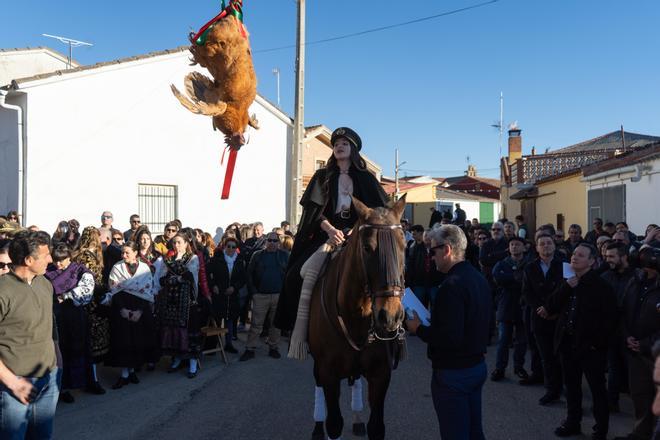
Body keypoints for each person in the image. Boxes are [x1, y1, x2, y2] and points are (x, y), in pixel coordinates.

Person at [274, 126, 389, 333]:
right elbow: (313, 214)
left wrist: (355, 230)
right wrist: (330, 230)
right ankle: (303, 328)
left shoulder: (366, 178)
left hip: (359, 235)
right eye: (336, 144)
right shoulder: (321, 176)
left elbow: (376, 210)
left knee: (386, 271)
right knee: (294, 276)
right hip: (326, 235)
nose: (339, 147)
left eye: (344, 144)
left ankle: (389, 325)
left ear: (353, 149)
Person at [406, 225, 491, 440]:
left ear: (447, 250)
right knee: (474, 431)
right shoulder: (477, 277)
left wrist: (419, 329)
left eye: (433, 251)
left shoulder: (451, 286)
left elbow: (449, 337)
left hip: (454, 373)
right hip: (476, 366)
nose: (431, 256)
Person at [543, 243, 617, 440]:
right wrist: (566, 287)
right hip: (567, 344)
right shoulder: (568, 281)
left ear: (592, 261)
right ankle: (572, 422)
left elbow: (610, 320)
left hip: (591, 348)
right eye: (574, 254)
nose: (574, 257)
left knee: (597, 390)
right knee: (572, 387)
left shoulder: (602, 287)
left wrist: (596, 344)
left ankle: (600, 429)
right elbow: (550, 306)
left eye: (581, 255)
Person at [0, 231, 59, 438]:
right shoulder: (3, 291)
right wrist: (13, 383)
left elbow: (50, 325)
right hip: (13, 387)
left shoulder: (45, 284)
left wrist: (57, 361)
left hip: (49, 380)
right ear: (28, 260)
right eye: (45, 255)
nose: (51, 259)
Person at [618, 246, 660, 440]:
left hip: (655, 352)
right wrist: (627, 336)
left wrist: (644, 343)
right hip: (635, 351)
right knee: (640, 395)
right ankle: (640, 434)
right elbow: (624, 311)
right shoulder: (634, 282)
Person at [45, 243, 95, 404]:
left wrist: (66, 296)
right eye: (56, 260)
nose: (58, 264)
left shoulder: (79, 270)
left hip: (74, 315)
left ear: (69, 257)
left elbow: (87, 292)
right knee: (59, 351)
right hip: (54, 315)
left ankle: (81, 382)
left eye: (61, 260)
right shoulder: (48, 271)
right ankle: (61, 388)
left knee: (76, 349)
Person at [105, 241, 157, 389]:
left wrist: (139, 311)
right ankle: (124, 375)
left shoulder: (144, 269)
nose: (124, 255)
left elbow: (147, 292)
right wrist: (122, 309)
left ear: (135, 253)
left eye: (127, 252)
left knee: (136, 340)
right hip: (122, 309)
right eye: (122, 252)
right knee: (123, 341)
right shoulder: (117, 268)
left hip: (139, 310)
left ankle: (132, 371)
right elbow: (114, 289)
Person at [521, 233, 564, 402]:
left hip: (558, 317)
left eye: (549, 243)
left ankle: (563, 386)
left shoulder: (564, 266)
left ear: (554, 246)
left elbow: (566, 291)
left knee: (560, 355)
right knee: (546, 356)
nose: (546, 246)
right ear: (537, 248)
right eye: (542, 244)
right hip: (539, 317)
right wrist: (542, 309)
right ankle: (551, 390)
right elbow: (526, 292)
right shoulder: (530, 267)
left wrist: (552, 309)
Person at [158, 233, 204, 378]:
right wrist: (175, 278)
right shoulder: (168, 259)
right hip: (172, 303)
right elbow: (162, 279)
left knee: (190, 333)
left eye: (179, 242)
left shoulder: (193, 258)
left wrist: (175, 278)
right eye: (174, 242)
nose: (176, 245)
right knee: (174, 331)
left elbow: (190, 278)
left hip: (188, 303)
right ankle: (177, 359)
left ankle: (192, 365)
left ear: (186, 243)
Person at [241, 232, 289, 361]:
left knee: (276, 325)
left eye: (275, 241)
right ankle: (250, 349)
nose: (272, 243)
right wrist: (254, 292)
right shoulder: (257, 255)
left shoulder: (285, 255)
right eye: (270, 240)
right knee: (256, 324)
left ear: (278, 242)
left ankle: (273, 347)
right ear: (266, 241)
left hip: (278, 295)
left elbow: (289, 274)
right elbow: (249, 274)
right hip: (261, 295)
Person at [73, 226, 109, 395]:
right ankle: (91, 380)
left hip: (87, 303)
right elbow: (92, 282)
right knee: (90, 345)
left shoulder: (80, 254)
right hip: (91, 305)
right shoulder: (88, 257)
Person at [601, 241, 636, 413]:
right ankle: (611, 402)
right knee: (613, 368)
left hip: (632, 333)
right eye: (607, 257)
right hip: (612, 331)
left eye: (612, 256)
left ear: (624, 257)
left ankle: (641, 410)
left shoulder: (638, 277)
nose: (609, 260)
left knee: (634, 372)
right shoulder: (606, 277)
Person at [491, 237, 529, 382]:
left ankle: (519, 367)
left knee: (521, 341)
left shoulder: (529, 264)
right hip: (505, 305)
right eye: (512, 245)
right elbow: (497, 278)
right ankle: (500, 369)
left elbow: (527, 281)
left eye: (517, 244)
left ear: (524, 247)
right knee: (503, 340)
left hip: (522, 306)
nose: (514, 247)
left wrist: (510, 279)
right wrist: (515, 278)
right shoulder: (502, 263)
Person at [207, 236, 247, 354]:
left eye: (233, 247)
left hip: (232, 296)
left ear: (236, 249)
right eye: (228, 246)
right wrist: (213, 285)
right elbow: (208, 274)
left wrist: (234, 288)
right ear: (224, 247)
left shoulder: (239, 261)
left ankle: (228, 344)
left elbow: (243, 278)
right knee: (217, 320)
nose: (230, 249)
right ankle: (215, 345)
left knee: (230, 321)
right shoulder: (217, 259)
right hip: (219, 295)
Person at [405, 226, 442, 308]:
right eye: (425, 236)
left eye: (429, 237)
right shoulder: (416, 248)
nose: (427, 239)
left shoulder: (438, 249)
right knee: (419, 306)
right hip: (419, 283)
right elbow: (411, 264)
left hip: (434, 283)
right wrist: (410, 280)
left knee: (435, 306)